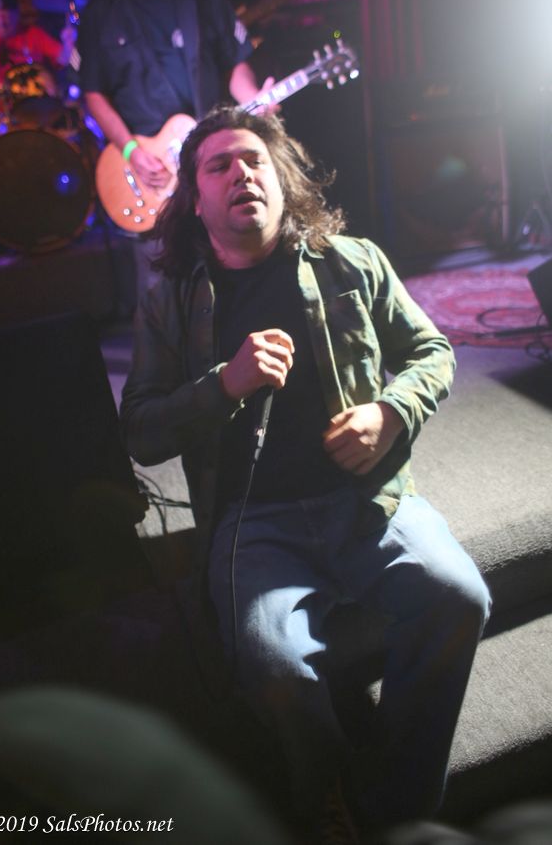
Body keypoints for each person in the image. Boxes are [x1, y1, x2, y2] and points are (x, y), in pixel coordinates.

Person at [119, 105, 492, 843]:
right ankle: (320, 788)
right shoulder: (169, 302)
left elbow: (433, 352)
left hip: (367, 501)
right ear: (195, 199)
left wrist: (391, 412)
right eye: (219, 165)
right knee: (278, 672)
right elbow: (140, 430)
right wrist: (223, 386)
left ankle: (395, 810)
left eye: (254, 160)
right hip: (252, 524)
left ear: (282, 178)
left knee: (461, 597)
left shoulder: (352, 260)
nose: (241, 174)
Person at [77, 0, 273, 191]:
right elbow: (95, 94)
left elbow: (233, 61)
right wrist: (131, 151)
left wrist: (254, 99)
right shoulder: (102, 13)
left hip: (211, 155)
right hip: (150, 167)